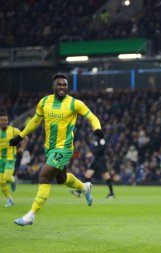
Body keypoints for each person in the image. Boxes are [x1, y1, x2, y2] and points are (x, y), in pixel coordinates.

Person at [9, 73, 103, 226]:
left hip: (64, 148)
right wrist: (20, 137)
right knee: (62, 179)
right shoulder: (45, 102)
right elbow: (34, 121)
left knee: (44, 177)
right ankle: (84, 187)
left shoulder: (75, 103)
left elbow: (92, 116)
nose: (62, 87)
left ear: (68, 87)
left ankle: (31, 215)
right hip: (50, 148)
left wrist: (97, 129)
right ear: (53, 86)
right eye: (59, 84)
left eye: (65, 85)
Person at [0, 112, 28, 207]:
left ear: (8, 121)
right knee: (1, 181)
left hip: (10, 158)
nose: (4, 122)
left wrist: (22, 149)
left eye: (5, 120)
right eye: (2, 120)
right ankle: (9, 199)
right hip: (0, 160)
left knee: (7, 178)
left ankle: (12, 180)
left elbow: (25, 138)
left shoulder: (13, 130)